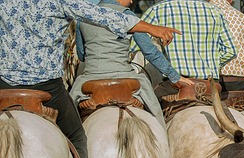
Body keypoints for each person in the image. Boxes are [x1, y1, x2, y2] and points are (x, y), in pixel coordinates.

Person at [0, 0, 180, 158]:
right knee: (77, 138)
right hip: (47, 87)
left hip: (4, 85)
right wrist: (150, 28)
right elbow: (102, 15)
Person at [70, 0, 194, 129]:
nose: (131, 1)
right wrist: (174, 76)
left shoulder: (83, 17)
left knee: (67, 119)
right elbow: (150, 52)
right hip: (126, 76)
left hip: (91, 77)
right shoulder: (129, 16)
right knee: (156, 115)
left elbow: (81, 54)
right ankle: (163, 143)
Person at [135, 0, 237, 99]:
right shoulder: (215, 11)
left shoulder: (156, 10)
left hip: (175, 83)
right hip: (210, 86)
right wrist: (211, 66)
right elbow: (230, 51)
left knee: (145, 106)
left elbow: (135, 49)